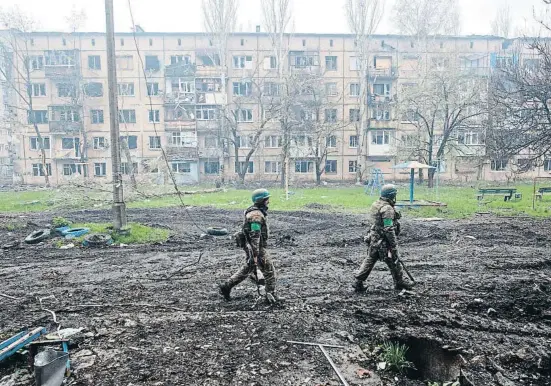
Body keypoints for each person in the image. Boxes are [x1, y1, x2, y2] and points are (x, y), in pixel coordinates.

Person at [220, 188, 279, 303]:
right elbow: (255, 235)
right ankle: (270, 295)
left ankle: (227, 286)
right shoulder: (256, 215)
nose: (269, 202)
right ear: (261, 200)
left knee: (248, 268)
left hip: (252, 247)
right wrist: (256, 253)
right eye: (267, 199)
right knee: (269, 271)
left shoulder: (255, 212)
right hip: (255, 247)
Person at [353, 184, 414, 292]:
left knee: (370, 259)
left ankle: (358, 282)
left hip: (375, 238)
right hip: (384, 241)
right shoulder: (387, 209)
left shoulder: (377, 204)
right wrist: (393, 244)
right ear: (392, 196)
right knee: (394, 260)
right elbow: (389, 228)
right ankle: (399, 282)